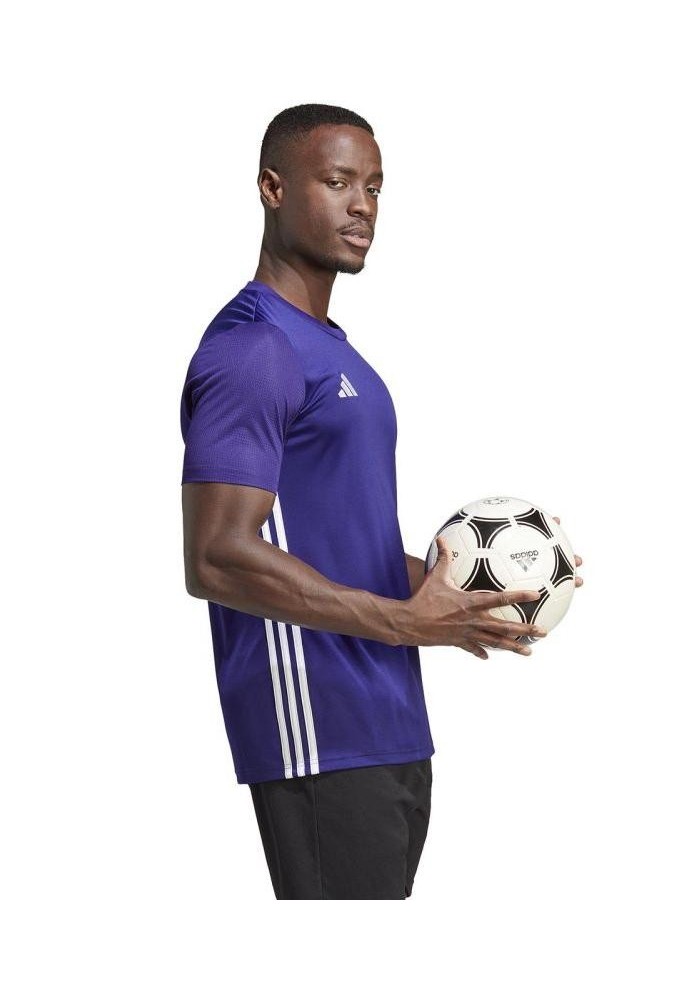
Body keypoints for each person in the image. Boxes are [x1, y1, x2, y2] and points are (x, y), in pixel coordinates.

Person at [179, 103, 583, 899]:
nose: (361, 206)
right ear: (271, 188)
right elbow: (216, 557)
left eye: (373, 187)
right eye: (336, 182)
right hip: (318, 725)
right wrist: (402, 622)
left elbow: (340, 540)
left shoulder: (329, 350)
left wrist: (472, 588)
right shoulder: (253, 348)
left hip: (389, 718)